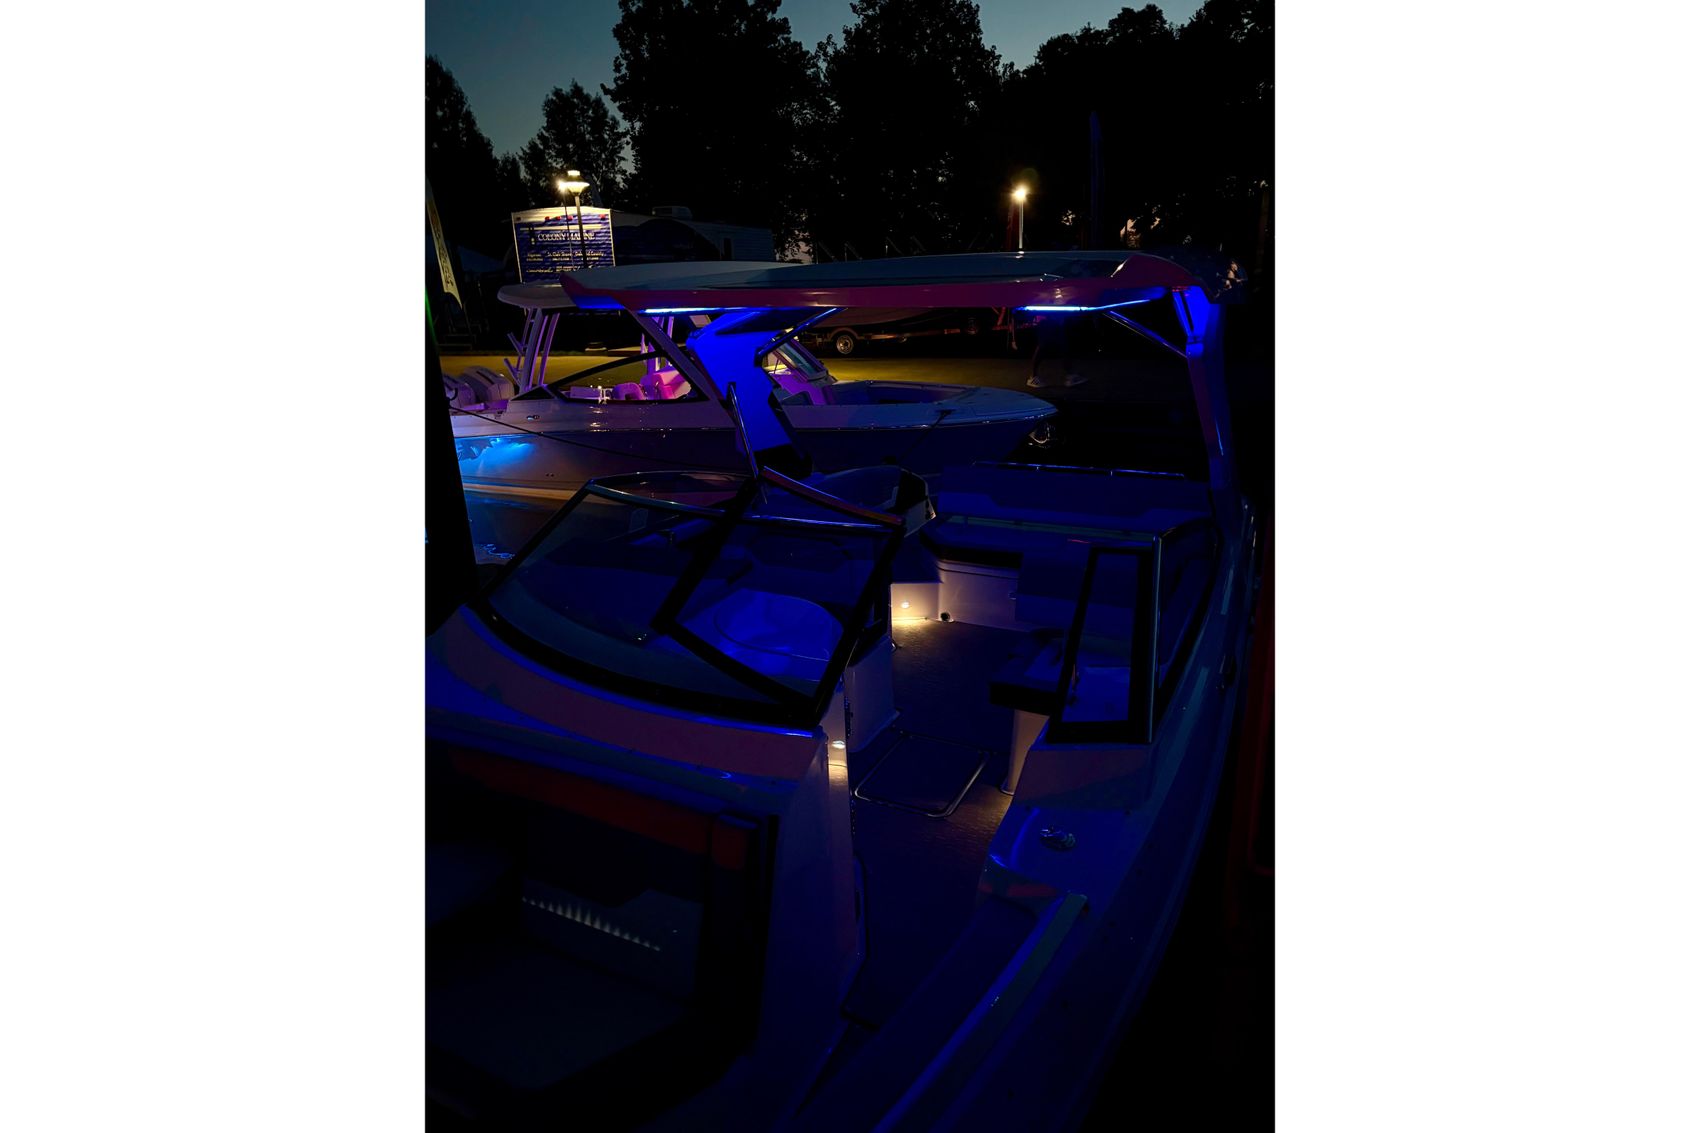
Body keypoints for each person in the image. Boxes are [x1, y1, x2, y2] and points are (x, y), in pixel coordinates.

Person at [1026, 313, 1085, 389]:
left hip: (1054, 317)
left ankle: (1070, 375)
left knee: (1062, 344)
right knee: (1044, 345)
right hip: (1046, 318)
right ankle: (1033, 377)